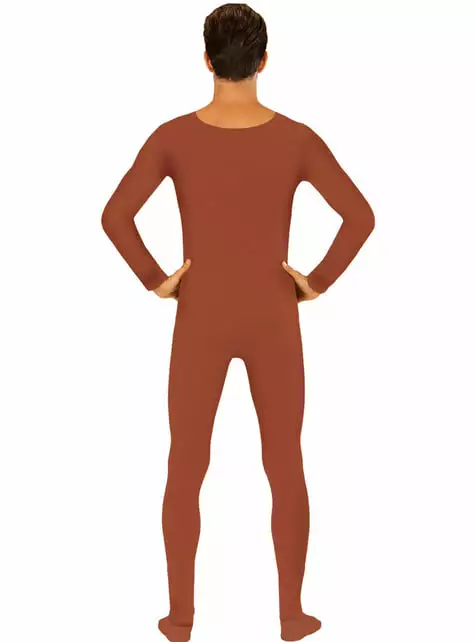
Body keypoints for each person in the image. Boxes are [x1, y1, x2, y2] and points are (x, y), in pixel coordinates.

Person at [101, 3, 375, 641]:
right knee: (284, 462)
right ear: (264, 61)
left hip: (200, 316)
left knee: (185, 464)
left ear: (206, 60)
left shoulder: (172, 137)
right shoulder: (297, 140)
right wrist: (316, 281)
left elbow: (115, 216)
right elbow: (359, 217)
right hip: (273, 316)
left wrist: (156, 278)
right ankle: (292, 616)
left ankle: (180, 618)